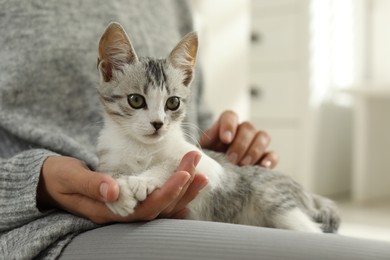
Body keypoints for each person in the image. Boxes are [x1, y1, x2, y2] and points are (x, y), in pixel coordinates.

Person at [1, 1, 390, 260]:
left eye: (169, 105)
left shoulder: (174, 5)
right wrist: (33, 182)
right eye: (137, 102)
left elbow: (188, 122)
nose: (156, 120)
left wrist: (213, 142)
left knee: (325, 243)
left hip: (216, 201)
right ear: (108, 71)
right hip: (50, 230)